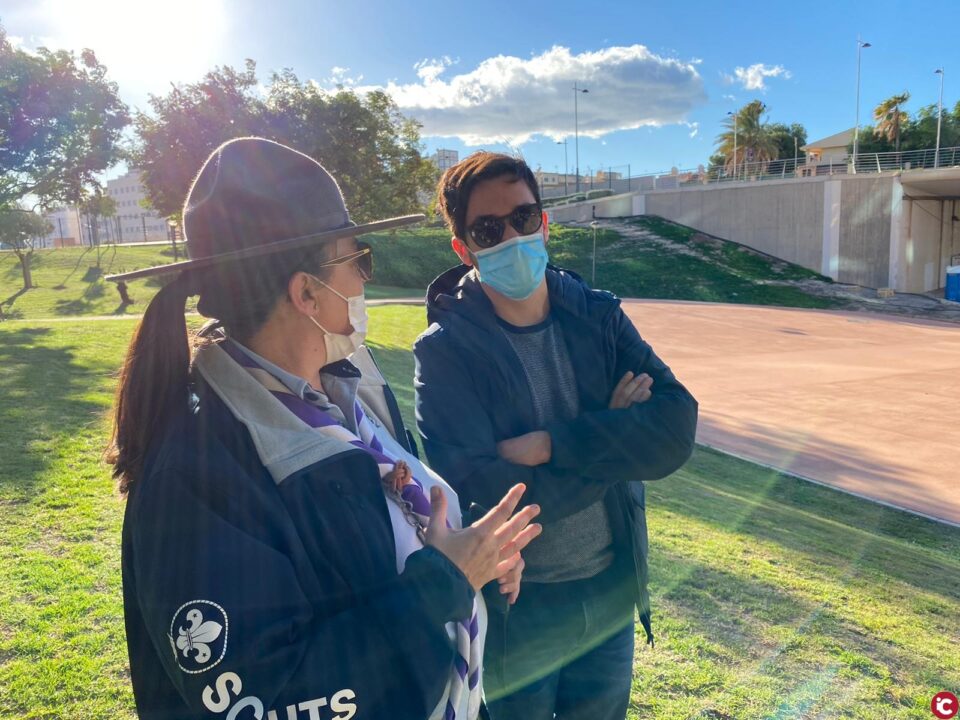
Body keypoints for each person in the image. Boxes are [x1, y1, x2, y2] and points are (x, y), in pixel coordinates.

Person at [105, 138, 541, 720]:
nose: (364, 279)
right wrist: (443, 582)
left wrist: (471, 564)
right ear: (307, 291)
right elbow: (267, 696)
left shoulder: (346, 390)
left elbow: (382, 550)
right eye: (355, 260)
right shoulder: (197, 470)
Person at [413, 152, 699, 720]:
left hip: (612, 590)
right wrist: (612, 440)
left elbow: (675, 428)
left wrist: (553, 444)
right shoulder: (444, 353)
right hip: (520, 606)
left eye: (524, 217)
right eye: (488, 229)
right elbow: (485, 489)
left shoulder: (598, 316)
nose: (512, 236)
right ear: (463, 247)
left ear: (544, 222)